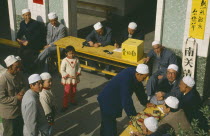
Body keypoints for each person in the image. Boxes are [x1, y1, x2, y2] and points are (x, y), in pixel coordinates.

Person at [97, 64, 149, 136]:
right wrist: (133, 117)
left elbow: (139, 89)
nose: (144, 80)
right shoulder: (126, 79)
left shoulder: (135, 74)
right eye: (144, 78)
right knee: (110, 126)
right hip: (107, 100)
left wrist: (146, 102)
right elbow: (126, 100)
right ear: (138, 74)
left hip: (113, 99)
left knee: (106, 123)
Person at [0, 55, 26, 136]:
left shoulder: (19, 74)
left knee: (20, 132)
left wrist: (22, 92)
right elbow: (1, 98)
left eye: (19, 67)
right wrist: (16, 98)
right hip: (9, 114)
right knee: (10, 133)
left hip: (19, 111)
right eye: (16, 67)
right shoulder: (3, 79)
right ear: (9, 67)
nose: (18, 69)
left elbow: (25, 85)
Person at [17, 9, 45, 73]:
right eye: (26, 15)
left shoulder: (35, 23)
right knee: (19, 51)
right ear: (23, 16)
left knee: (26, 53)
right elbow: (20, 33)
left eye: (29, 15)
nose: (28, 17)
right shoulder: (22, 23)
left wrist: (28, 42)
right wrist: (18, 39)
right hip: (27, 43)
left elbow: (37, 36)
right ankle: (23, 67)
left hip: (36, 44)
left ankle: (30, 69)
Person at [60, 46, 81, 112]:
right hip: (68, 80)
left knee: (74, 90)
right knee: (67, 92)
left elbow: (79, 67)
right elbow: (62, 70)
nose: (72, 55)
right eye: (70, 53)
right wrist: (68, 76)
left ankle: (72, 100)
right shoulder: (64, 61)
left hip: (74, 79)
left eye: (73, 53)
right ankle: (65, 105)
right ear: (66, 53)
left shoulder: (76, 60)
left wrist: (78, 73)